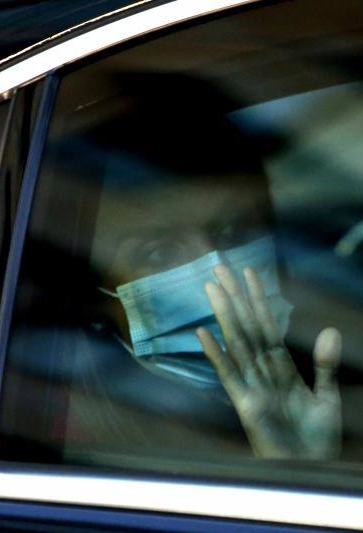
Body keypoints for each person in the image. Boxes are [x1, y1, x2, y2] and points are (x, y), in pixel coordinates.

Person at [80, 76, 343, 460]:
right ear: (98, 298)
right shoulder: (70, 445)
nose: (220, 271)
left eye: (236, 231)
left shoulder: (340, 379)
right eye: (158, 253)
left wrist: (306, 471)